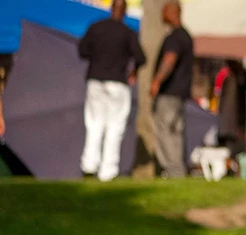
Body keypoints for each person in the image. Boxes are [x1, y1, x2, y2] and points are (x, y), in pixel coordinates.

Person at [78, 0, 146, 182]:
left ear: (111, 9)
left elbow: (82, 51)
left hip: (96, 80)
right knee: (114, 127)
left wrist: (100, 55)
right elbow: (141, 57)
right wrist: (133, 71)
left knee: (94, 124)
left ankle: (89, 166)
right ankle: (108, 171)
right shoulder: (128, 33)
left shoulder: (96, 28)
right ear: (124, 12)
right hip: (118, 82)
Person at [150, 0, 193, 178]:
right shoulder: (186, 36)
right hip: (181, 94)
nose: (161, 15)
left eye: (164, 11)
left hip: (169, 93)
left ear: (172, 13)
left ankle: (172, 169)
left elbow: (169, 59)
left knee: (165, 132)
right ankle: (178, 170)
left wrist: (157, 80)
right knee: (176, 133)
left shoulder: (174, 38)